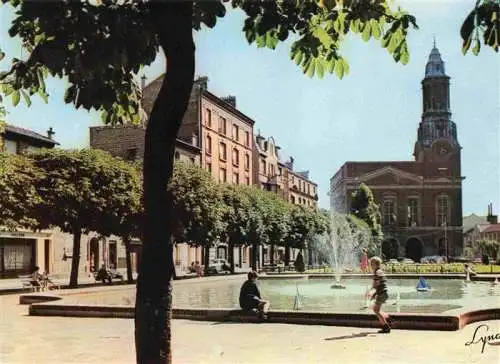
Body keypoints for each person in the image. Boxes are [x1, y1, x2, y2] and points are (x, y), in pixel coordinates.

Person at [369, 256, 392, 333]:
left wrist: (371, 289)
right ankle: (386, 318)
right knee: (376, 309)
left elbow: (376, 284)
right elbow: (380, 285)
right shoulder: (379, 271)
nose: (370, 266)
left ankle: (386, 327)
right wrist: (374, 294)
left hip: (382, 293)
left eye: (371, 264)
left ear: (375, 264)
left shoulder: (377, 272)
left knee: (376, 310)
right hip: (383, 293)